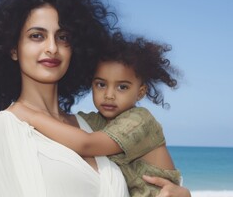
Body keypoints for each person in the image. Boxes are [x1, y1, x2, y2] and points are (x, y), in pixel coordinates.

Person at [0, 0, 191, 197]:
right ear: (12, 49)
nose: (52, 47)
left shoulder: (93, 126)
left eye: (63, 37)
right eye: (37, 36)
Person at [21, 33, 183, 196]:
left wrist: (31, 116)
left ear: (140, 92)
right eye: (101, 84)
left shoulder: (140, 120)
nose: (109, 95)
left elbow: (86, 144)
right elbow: (64, 125)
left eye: (122, 87)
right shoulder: (95, 121)